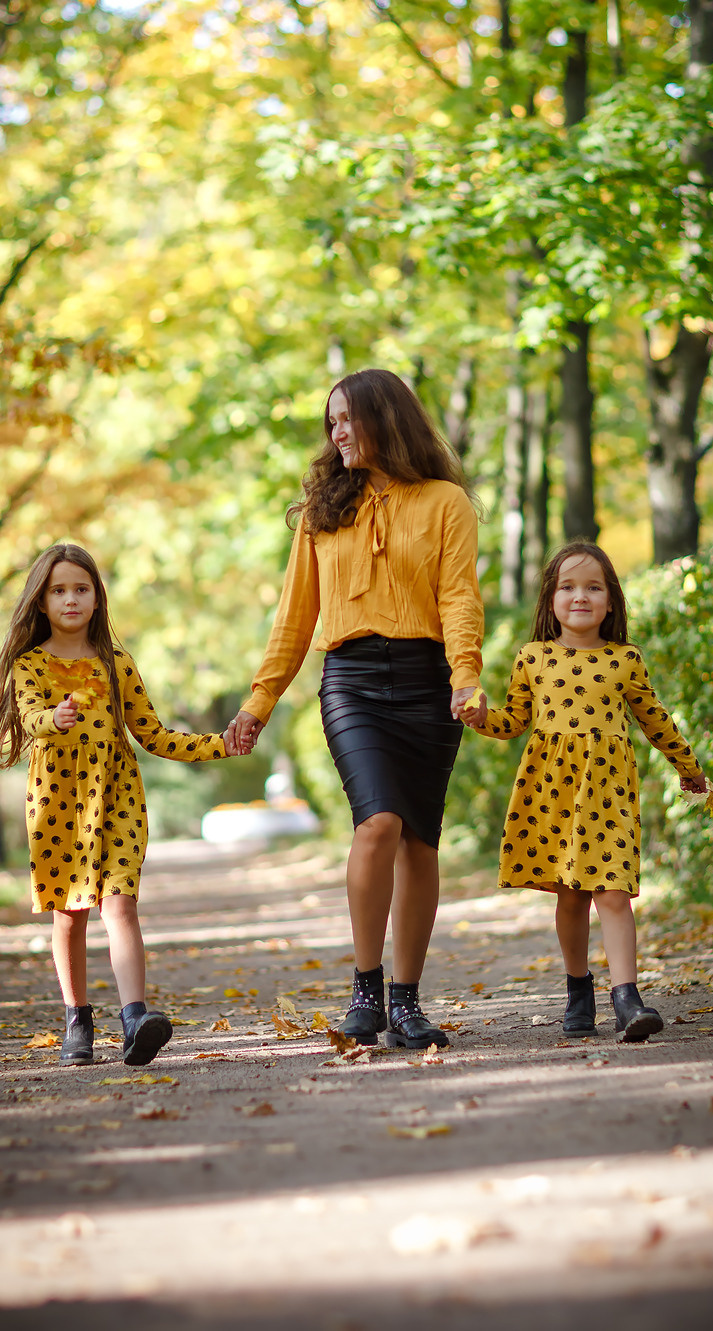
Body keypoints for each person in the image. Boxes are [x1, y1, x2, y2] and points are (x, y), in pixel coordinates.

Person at [228, 369, 486, 1049]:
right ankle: (366, 990)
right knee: (379, 823)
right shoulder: (321, 510)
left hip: (430, 683)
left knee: (420, 840)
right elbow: (294, 618)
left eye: (345, 419)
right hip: (352, 680)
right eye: (330, 423)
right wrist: (259, 701)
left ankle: (407, 1002)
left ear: (384, 417)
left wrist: (465, 676)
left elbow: (458, 596)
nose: (336, 433)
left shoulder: (445, 501)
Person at [0, 543, 240, 1068]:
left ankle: (135, 1017)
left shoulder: (118, 664)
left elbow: (154, 735)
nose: (70, 599)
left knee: (120, 905)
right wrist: (55, 718)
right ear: (41, 601)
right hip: (58, 802)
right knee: (70, 914)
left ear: (97, 598)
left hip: (118, 796)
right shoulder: (31, 666)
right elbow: (30, 718)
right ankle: (77, 1020)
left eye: (81, 588)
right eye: (58, 590)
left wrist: (219, 745)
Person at [466, 540, 707, 1042]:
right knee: (571, 898)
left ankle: (627, 999)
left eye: (594, 587)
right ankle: (579, 989)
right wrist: (479, 716)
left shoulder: (625, 659)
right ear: (550, 601)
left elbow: (654, 718)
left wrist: (688, 765)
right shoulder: (533, 657)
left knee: (613, 894)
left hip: (608, 791)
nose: (581, 596)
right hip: (552, 790)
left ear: (611, 600)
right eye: (568, 587)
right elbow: (513, 721)